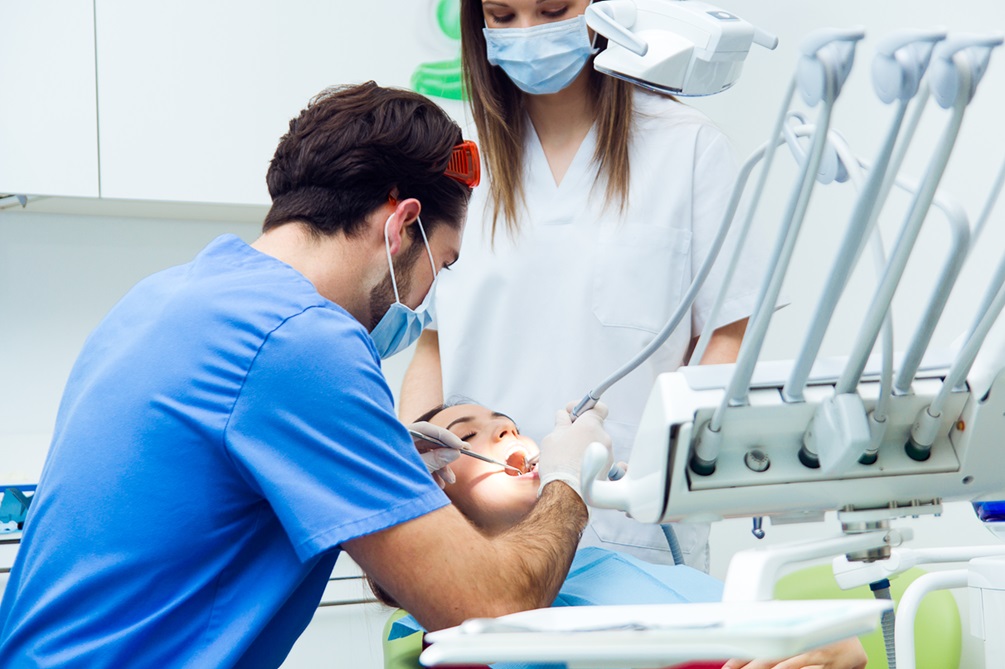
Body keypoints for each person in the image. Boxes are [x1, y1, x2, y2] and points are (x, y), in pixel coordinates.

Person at [0, 82, 613, 668]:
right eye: (443, 264)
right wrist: (568, 478)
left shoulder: (161, 298)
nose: (429, 297)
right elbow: (489, 609)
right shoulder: (302, 341)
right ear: (401, 227)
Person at [399, 0, 769, 571]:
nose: (529, 34)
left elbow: (727, 339)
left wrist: (656, 471)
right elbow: (433, 340)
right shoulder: (459, 162)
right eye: (501, 16)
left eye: (553, 10)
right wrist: (416, 504)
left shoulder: (687, 148)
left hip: (634, 524)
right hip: (483, 539)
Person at [379, 401, 868, 669]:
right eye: (465, 437)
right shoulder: (453, 631)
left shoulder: (607, 571)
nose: (507, 433)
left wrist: (829, 646)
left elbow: (828, 648)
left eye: (509, 425)